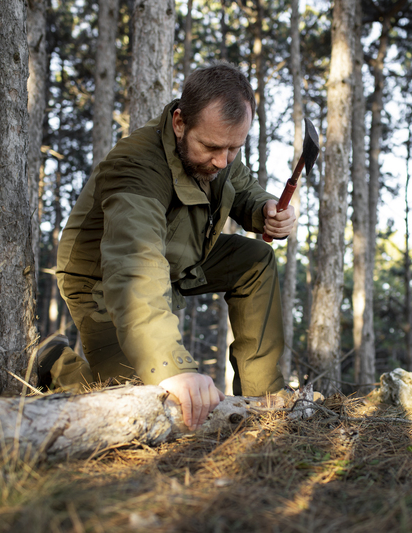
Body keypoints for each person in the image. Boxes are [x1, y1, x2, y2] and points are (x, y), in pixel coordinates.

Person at [39, 62, 296, 431]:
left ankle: (262, 398)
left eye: (233, 148)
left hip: (181, 254)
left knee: (255, 259)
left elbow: (242, 187)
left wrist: (267, 210)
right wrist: (174, 369)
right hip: (103, 277)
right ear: (180, 122)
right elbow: (135, 268)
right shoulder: (134, 166)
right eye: (211, 147)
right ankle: (55, 363)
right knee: (138, 401)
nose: (221, 161)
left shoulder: (219, 152)